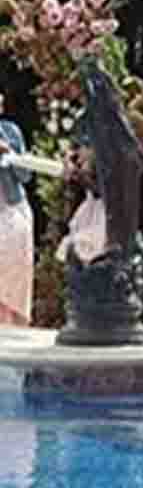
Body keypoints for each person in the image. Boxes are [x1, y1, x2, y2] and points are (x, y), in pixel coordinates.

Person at [0, 90, 35, 327]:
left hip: (12, 205)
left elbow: (25, 175)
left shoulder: (11, 131)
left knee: (13, 264)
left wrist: (8, 153)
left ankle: (11, 323)